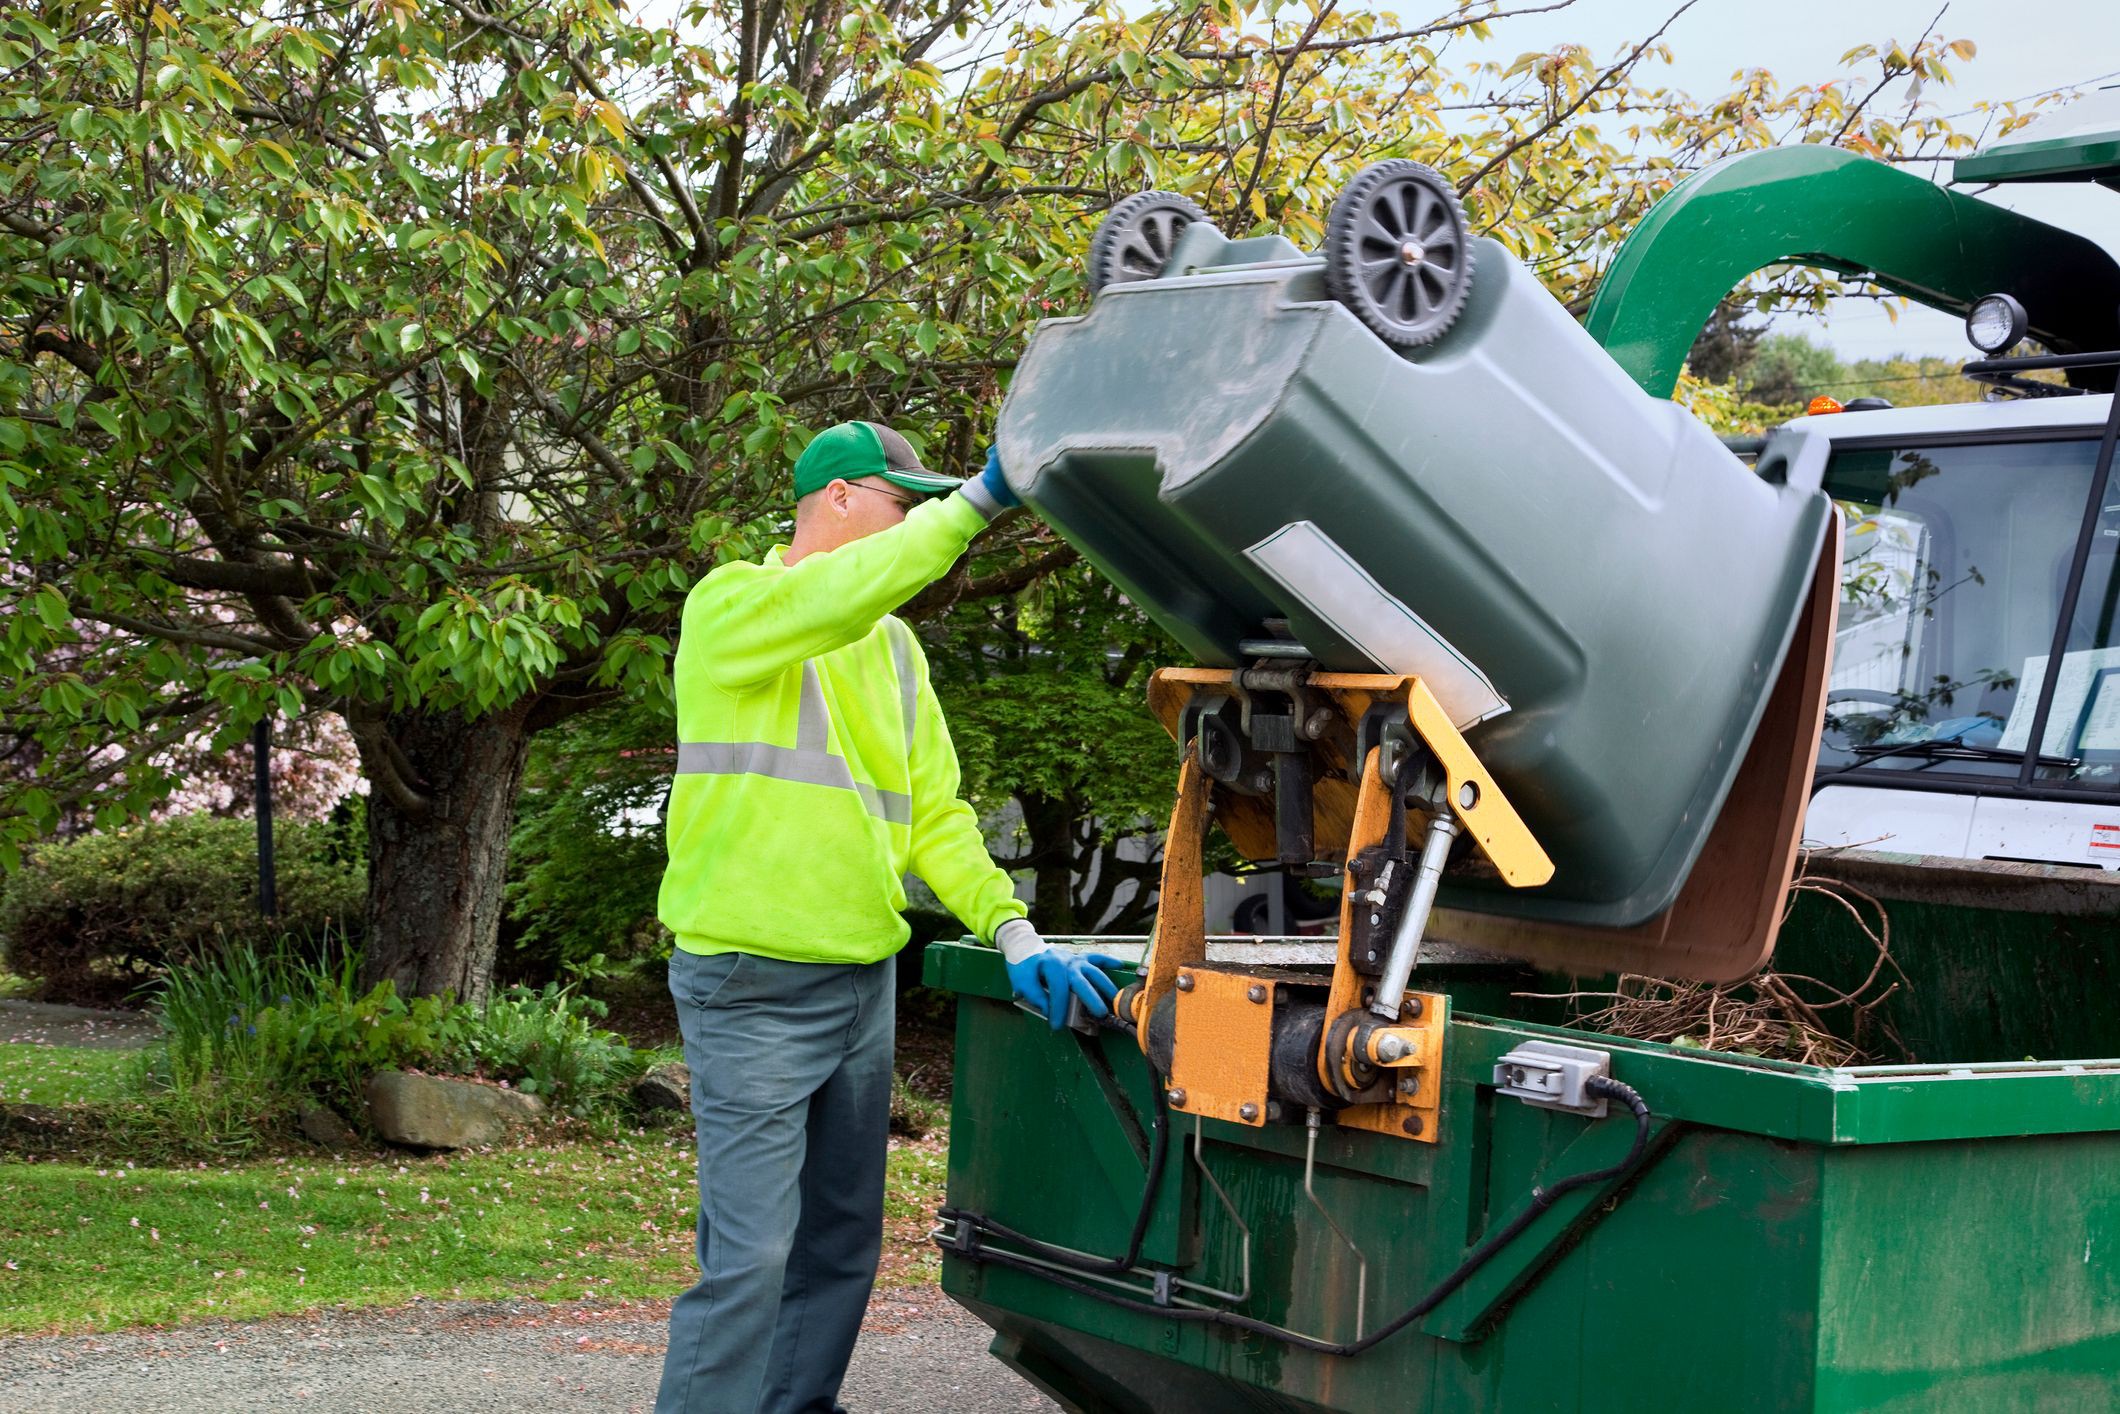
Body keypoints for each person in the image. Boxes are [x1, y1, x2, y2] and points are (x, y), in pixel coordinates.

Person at [655, 421, 1123, 1414]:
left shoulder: (895, 652)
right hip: (750, 980)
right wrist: (980, 504)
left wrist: (1012, 930)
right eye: (899, 502)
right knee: (747, 1260)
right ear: (834, 499)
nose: (911, 521)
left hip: (860, 983)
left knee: (838, 1245)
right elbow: (837, 593)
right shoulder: (730, 607)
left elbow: (938, 816)